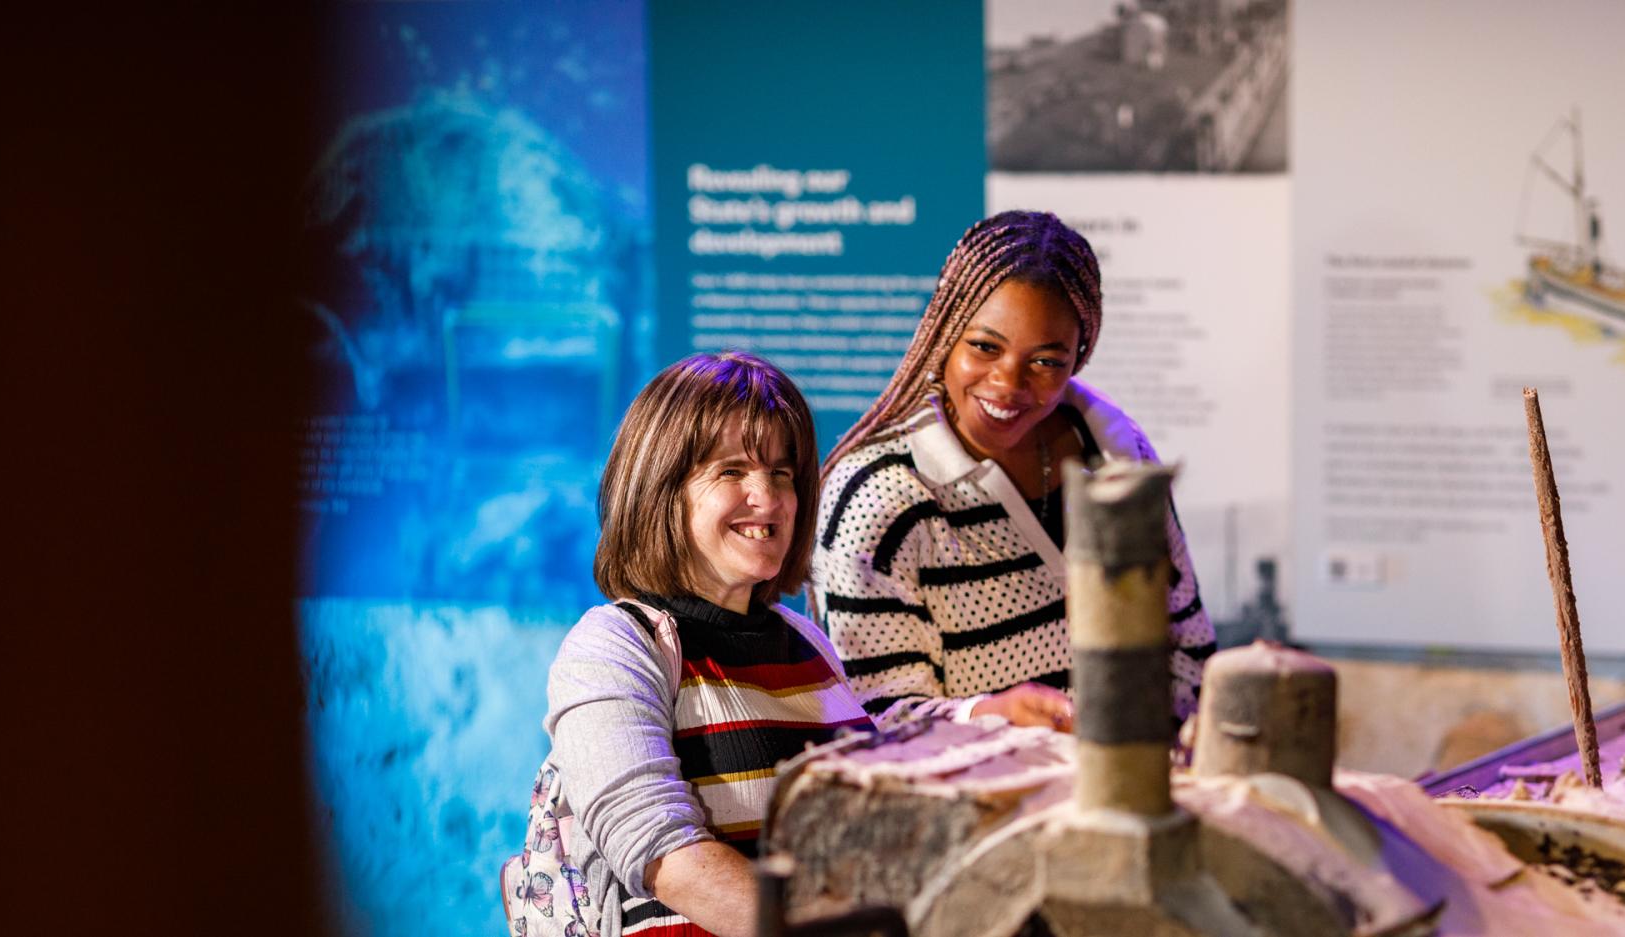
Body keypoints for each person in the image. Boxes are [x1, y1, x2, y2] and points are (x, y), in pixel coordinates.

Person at [510, 352, 871, 937]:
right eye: (732, 471)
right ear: (660, 492)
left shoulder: (806, 640)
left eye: (782, 473)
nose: (769, 497)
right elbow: (660, 852)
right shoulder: (615, 646)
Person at [810, 209, 1215, 730]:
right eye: (985, 347)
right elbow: (874, 716)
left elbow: (1188, 644)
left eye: (1047, 361)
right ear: (944, 333)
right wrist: (988, 714)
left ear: (1080, 355)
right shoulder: (879, 496)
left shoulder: (1120, 455)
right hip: (979, 806)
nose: (1009, 383)